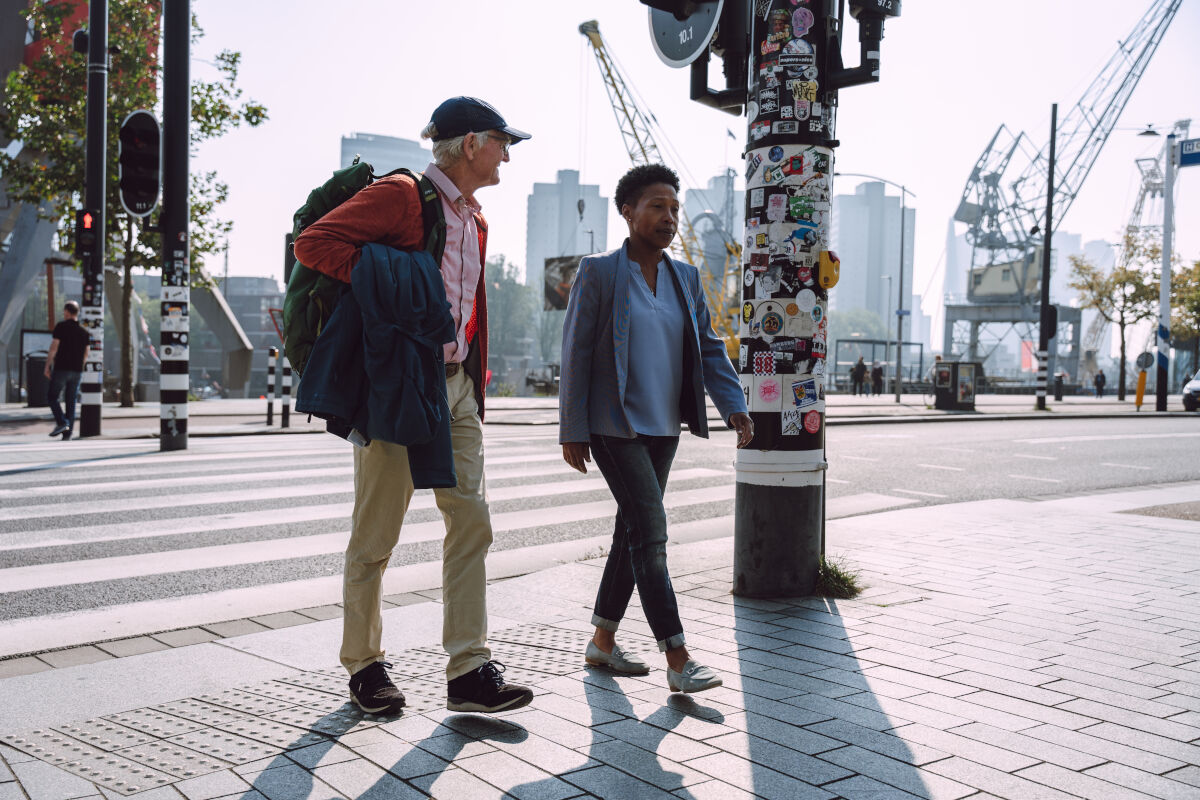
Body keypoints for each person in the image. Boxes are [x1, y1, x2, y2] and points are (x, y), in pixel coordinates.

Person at [293, 97, 533, 716]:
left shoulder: (476, 221)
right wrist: (383, 278)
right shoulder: (403, 195)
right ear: (472, 143)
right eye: (503, 142)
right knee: (376, 533)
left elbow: (467, 309)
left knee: (471, 520)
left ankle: (469, 671)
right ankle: (365, 667)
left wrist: (474, 385)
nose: (509, 154)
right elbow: (313, 245)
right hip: (397, 383)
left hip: (454, 386)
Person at [559, 164, 754, 694]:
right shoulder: (599, 271)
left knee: (632, 532)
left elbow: (709, 345)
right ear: (628, 211)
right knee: (652, 533)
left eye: (674, 208)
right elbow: (575, 351)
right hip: (613, 424)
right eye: (656, 207)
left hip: (664, 425)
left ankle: (601, 643)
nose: (669, 217)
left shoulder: (686, 277)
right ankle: (678, 657)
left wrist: (732, 404)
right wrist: (571, 427)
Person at [44, 300, 90, 441]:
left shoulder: (61, 327)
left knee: (52, 397)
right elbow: (86, 353)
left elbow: (54, 348)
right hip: (77, 371)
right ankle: (67, 434)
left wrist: (47, 366)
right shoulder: (84, 332)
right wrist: (80, 367)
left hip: (62, 368)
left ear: (67, 312)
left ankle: (62, 422)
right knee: (71, 401)